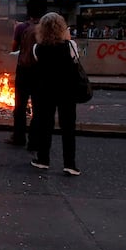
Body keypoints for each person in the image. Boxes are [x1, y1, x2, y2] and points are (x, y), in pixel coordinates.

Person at [29, 12, 81, 176]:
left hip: (44, 90)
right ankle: (70, 164)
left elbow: (38, 64)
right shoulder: (71, 46)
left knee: (45, 125)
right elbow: (75, 62)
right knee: (68, 127)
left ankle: (43, 160)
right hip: (67, 90)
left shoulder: (37, 48)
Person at [6, 0, 45, 148]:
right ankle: (34, 140)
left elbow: (14, 48)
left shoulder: (22, 28)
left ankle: (19, 137)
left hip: (24, 70)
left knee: (20, 106)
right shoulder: (48, 28)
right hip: (41, 72)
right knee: (38, 107)